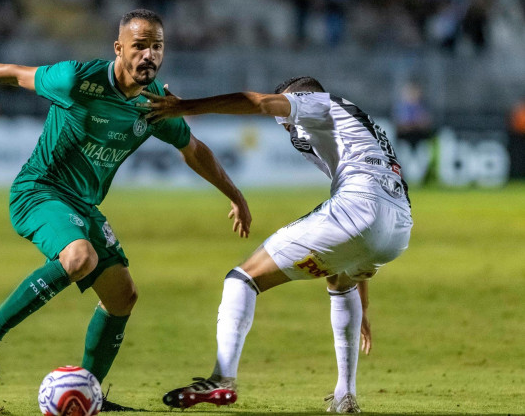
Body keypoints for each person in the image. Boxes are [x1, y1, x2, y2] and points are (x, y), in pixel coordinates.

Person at [0, 8, 251, 411]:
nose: (149, 56)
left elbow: (193, 150)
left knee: (122, 295)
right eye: (139, 46)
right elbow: (15, 73)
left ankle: (90, 391)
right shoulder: (78, 80)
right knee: (80, 256)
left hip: (83, 205)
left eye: (156, 47)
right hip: (39, 190)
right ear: (119, 48)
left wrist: (235, 195)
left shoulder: (155, 103)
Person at [140, 76, 413, 413]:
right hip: (399, 227)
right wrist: (364, 308)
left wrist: (184, 107)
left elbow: (257, 102)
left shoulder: (318, 102)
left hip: (360, 207)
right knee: (340, 278)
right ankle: (345, 396)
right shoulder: (356, 126)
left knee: (242, 278)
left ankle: (222, 378)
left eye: (286, 114)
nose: (283, 123)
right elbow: (366, 233)